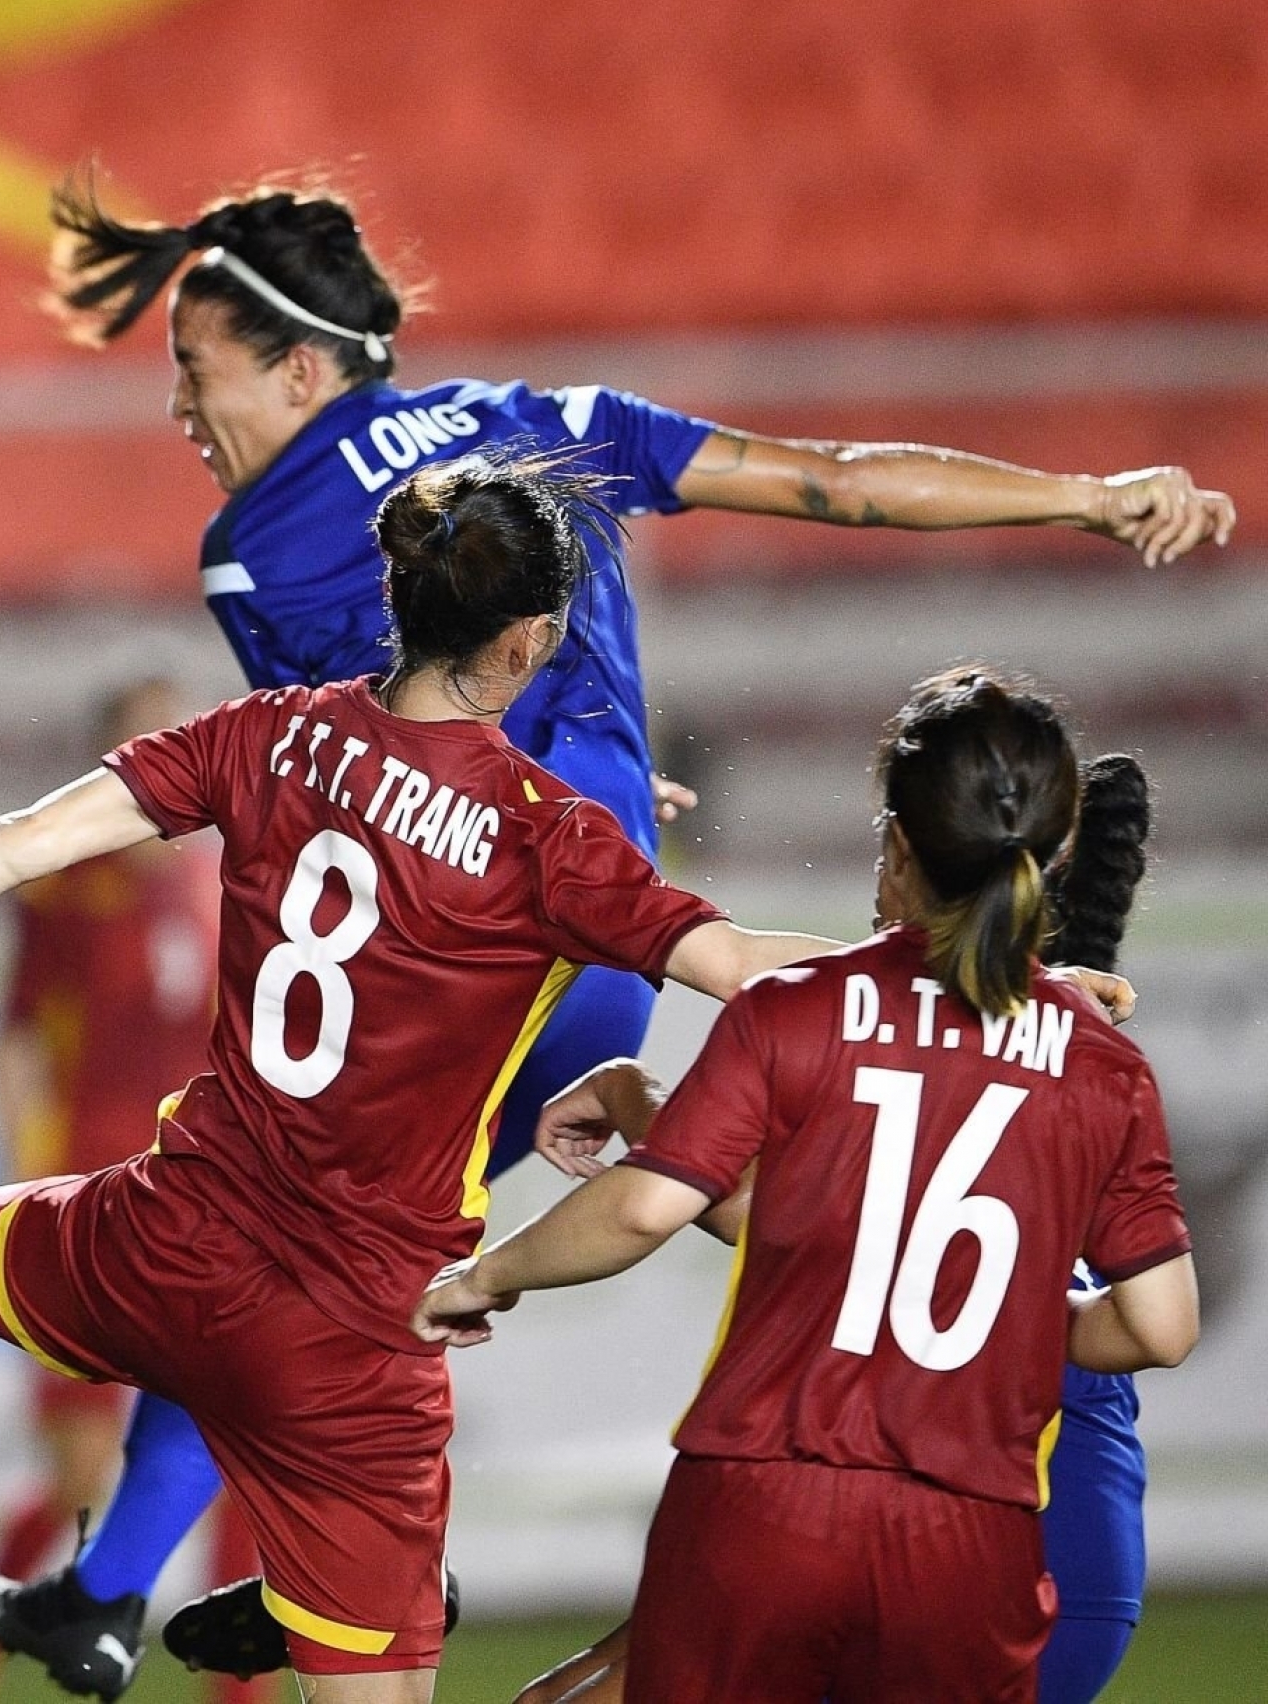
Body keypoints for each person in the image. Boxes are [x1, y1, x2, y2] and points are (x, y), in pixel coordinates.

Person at [0, 169, 1238, 1693]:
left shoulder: (254, 541)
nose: (180, 405)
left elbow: (371, 755)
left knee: (274, 1243)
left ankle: (252, 1559)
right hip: (601, 957)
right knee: (316, 1257)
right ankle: (158, 1576)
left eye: (196, 367)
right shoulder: (544, 418)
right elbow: (834, 478)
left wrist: (579, 801)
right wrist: (1078, 497)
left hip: (468, 955)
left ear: (298, 368)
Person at [0, 454, 853, 1701]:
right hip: (354, 1338)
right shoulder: (542, 834)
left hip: (165, 1244)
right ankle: (237, 1592)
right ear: (532, 642)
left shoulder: (263, 733)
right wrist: (983, 972)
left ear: (395, 597)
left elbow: (29, 836)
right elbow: (742, 965)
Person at [415, 669, 1198, 1702]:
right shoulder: (1099, 1070)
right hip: (982, 1546)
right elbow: (1157, 1325)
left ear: (901, 842)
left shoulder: (803, 1004)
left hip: (769, 1505)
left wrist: (477, 1276)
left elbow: (666, 1204)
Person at [0, 673, 253, 1704]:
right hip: (89, 1194)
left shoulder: (220, 879)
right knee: (84, 1468)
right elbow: (14, 1035)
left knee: (231, 1441)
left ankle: (233, 1687)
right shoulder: (62, 887)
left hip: (202, 1199)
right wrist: (26, 1167)